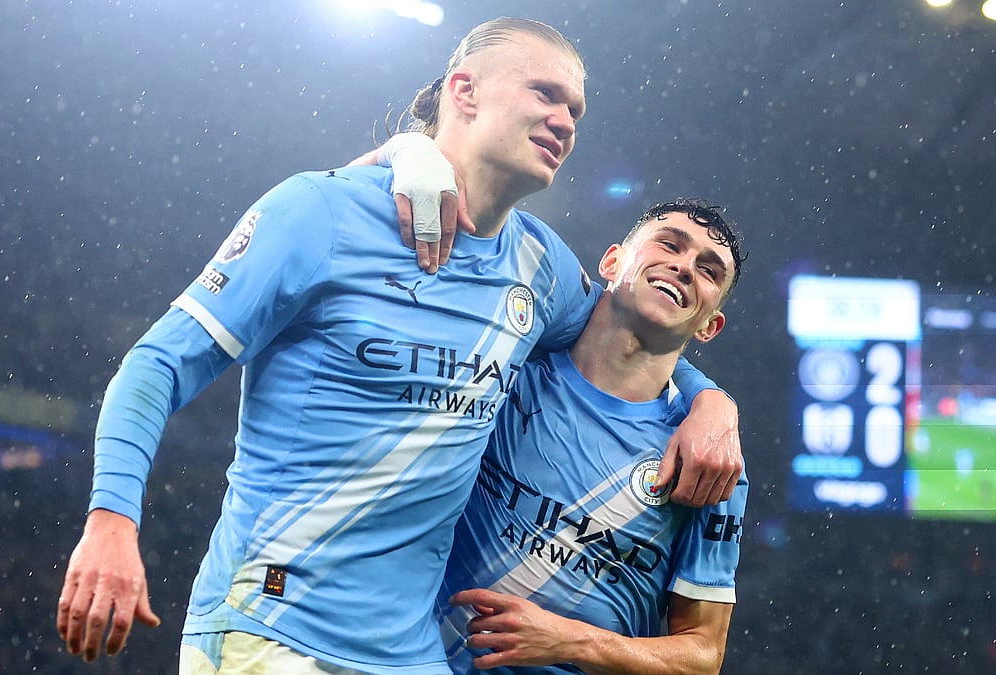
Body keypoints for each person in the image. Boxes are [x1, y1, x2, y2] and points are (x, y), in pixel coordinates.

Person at [55, 18, 741, 674]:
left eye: (576, 110)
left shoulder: (543, 267)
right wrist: (112, 519)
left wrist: (714, 404)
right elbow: (156, 365)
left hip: (408, 652)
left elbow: (641, 333)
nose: (565, 120)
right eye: (545, 93)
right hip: (272, 627)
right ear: (462, 91)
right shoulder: (319, 212)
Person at [438, 198, 748, 675]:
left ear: (711, 326)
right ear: (612, 262)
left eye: (708, 270)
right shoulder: (509, 366)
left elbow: (703, 655)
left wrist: (572, 642)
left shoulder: (709, 458)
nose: (684, 267)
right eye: (669, 244)